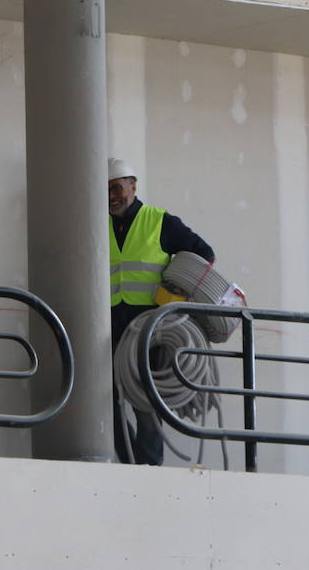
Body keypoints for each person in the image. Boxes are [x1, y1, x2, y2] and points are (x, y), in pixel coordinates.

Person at [108, 157, 215, 465]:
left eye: (117, 188)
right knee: (106, 403)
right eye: (105, 191)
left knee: (146, 403)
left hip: (149, 327)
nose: (112, 196)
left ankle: (149, 467)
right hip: (110, 324)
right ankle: (133, 463)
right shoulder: (98, 223)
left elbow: (203, 253)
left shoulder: (158, 220)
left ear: (133, 186)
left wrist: (178, 287)